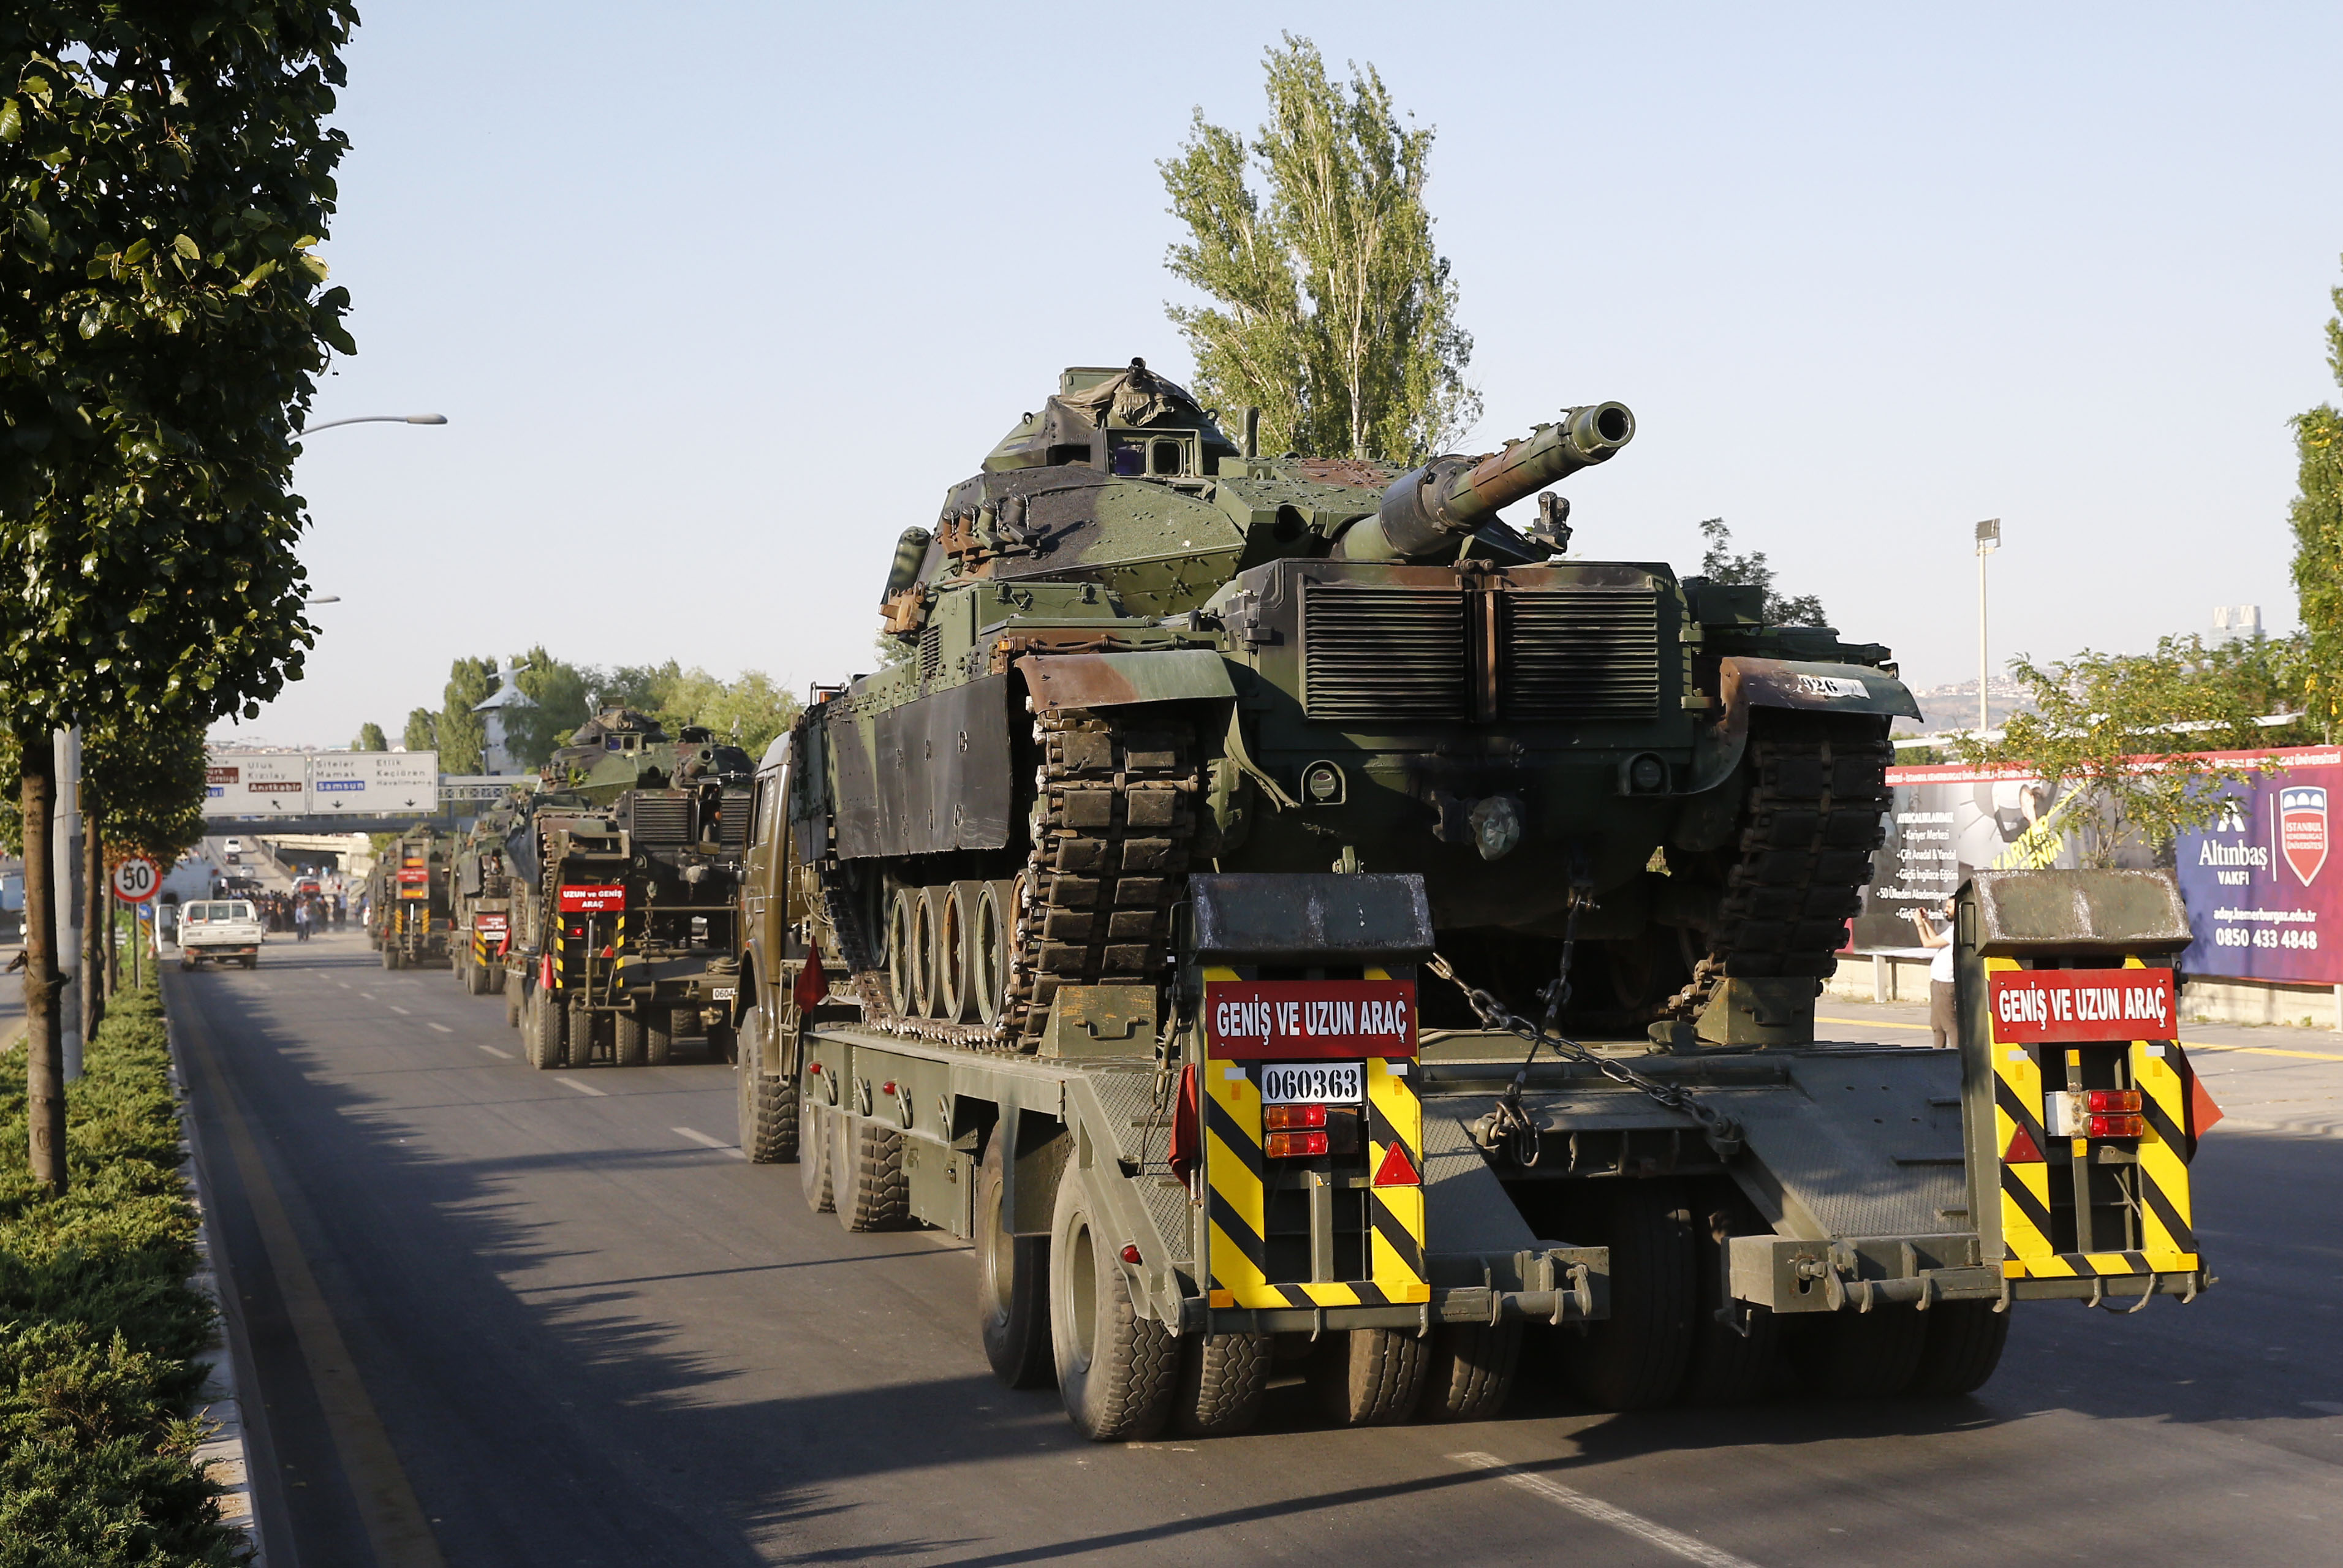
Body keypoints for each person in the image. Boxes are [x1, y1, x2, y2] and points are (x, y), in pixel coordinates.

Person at [1904, 898, 1957, 1048]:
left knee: (1949, 1025)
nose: (1946, 910)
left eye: (1949, 907)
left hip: (1945, 984)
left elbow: (1927, 943)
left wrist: (1919, 924)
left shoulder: (1957, 930)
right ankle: (1938, 1054)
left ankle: (1956, 1057)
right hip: (1938, 981)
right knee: (1937, 1025)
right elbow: (1935, 940)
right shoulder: (1953, 929)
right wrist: (1927, 921)